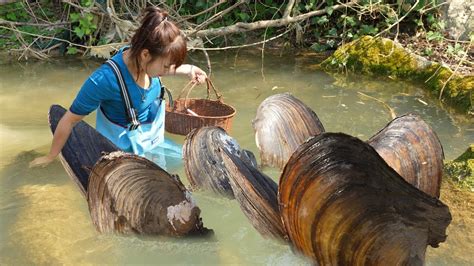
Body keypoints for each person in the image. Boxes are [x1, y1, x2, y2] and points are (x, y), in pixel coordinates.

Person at [30, 6, 207, 168]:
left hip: (151, 141)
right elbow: (69, 120)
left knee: (196, 163)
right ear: (145, 54)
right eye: (167, 67)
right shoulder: (104, 81)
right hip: (121, 154)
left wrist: (188, 70)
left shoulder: (142, 55)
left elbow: (158, 68)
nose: (168, 71)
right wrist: (50, 156)